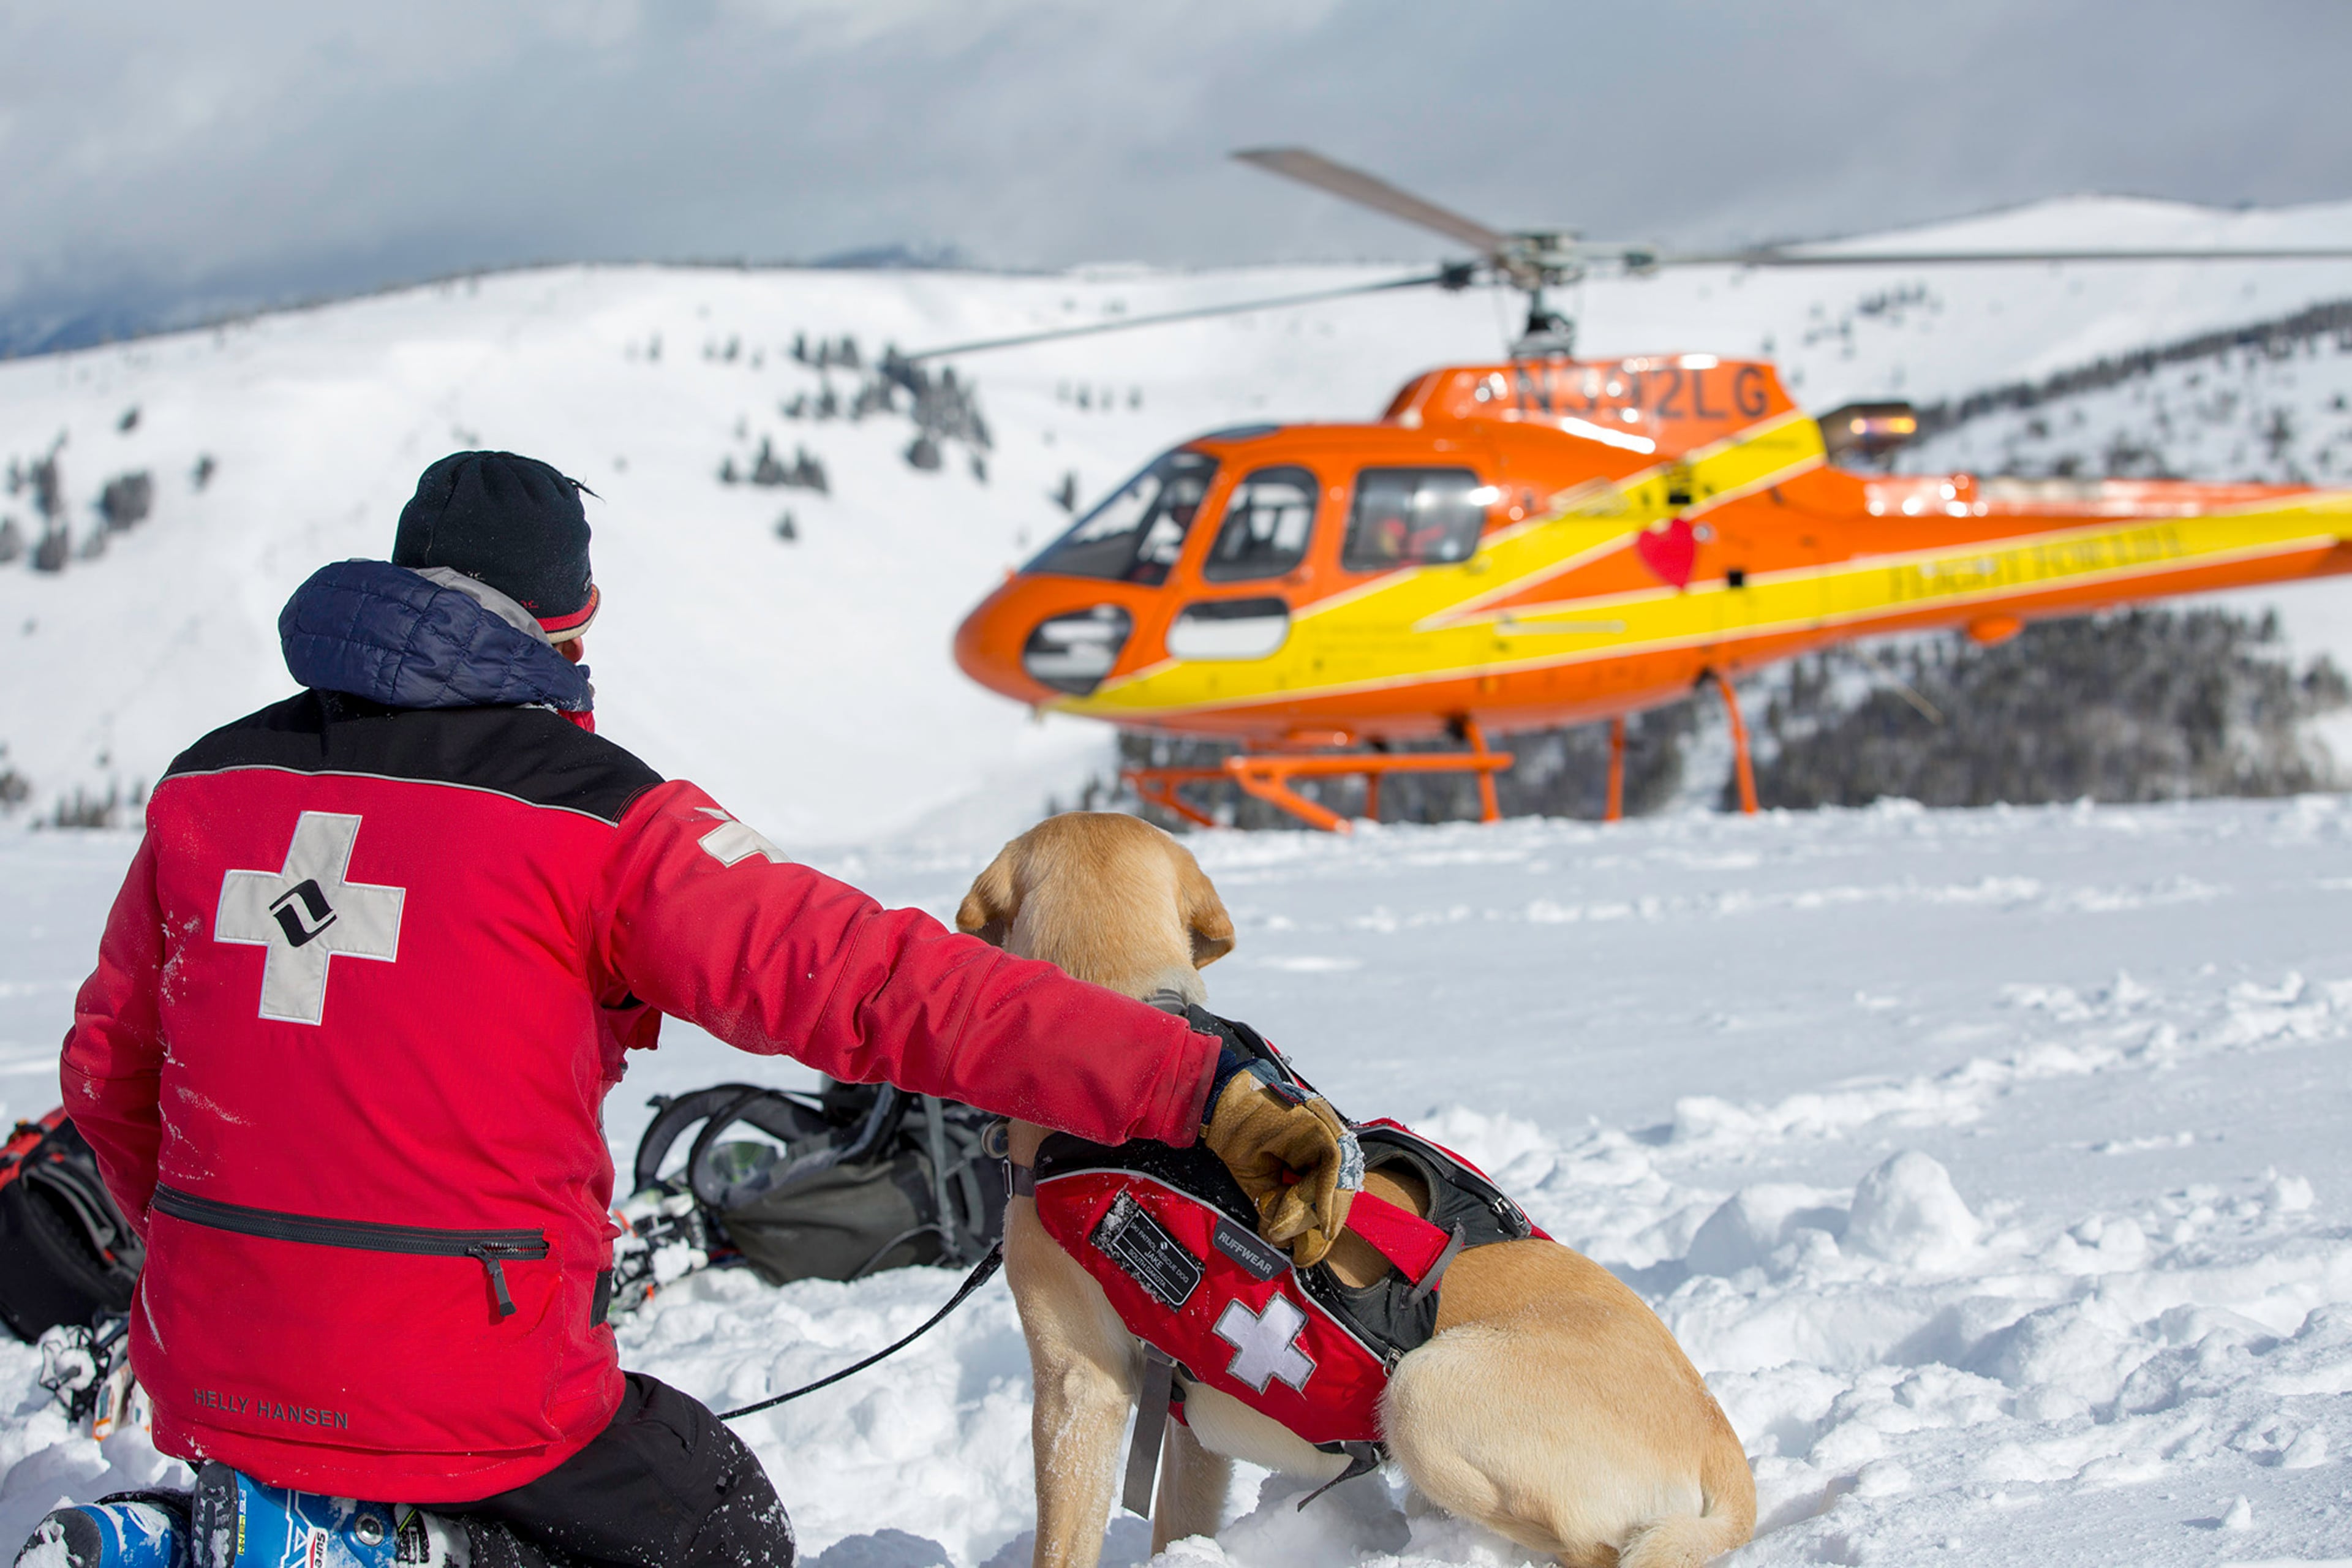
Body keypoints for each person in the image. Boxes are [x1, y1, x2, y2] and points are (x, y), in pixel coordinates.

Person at [42, 452, 1354, 1568]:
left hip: (210, 1365)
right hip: (472, 1384)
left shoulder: (205, 785)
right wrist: (1197, 1083)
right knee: (723, 1521)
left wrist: (243, 1269)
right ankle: (363, 1544)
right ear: (569, 624)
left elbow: (108, 1070)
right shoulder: (599, 819)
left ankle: (203, 1530)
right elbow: (884, 985)